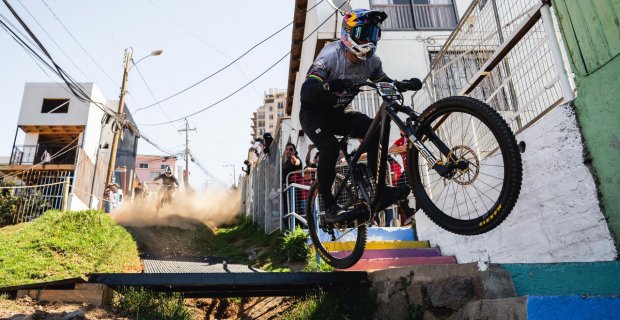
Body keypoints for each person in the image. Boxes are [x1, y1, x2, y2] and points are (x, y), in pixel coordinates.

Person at [298, 8, 422, 223]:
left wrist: (402, 84)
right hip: (314, 114)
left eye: (373, 34)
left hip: (339, 112)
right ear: (348, 33)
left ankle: (381, 190)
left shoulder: (372, 62)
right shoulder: (330, 56)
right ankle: (329, 208)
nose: (368, 39)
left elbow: (385, 83)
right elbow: (306, 93)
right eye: (363, 33)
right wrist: (328, 85)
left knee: (373, 130)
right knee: (329, 148)